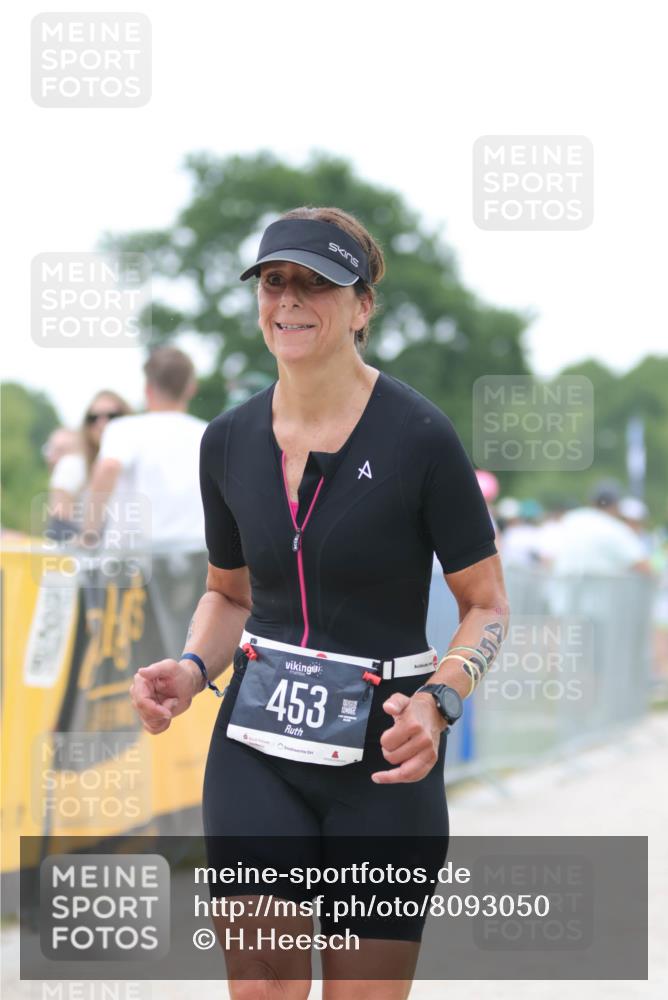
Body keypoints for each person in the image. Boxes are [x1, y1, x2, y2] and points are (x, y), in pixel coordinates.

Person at [130, 208, 510, 998]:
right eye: (275, 282)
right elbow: (228, 593)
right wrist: (193, 667)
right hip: (257, 742)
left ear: (362, 305)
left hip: (384, 750)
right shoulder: (226, 440)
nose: (291, 300)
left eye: (317, 283)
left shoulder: (420, 436)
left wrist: (439, 702)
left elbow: (487, 605)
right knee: (260, 985)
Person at [85, 347, 207, 549]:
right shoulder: (207, 432)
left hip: (137, 552)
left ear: (147, 389)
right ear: (191, 388)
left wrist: (89, 533)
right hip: (197, 549)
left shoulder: (124, 429)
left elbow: (108, 467)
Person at [46, 391, 132, 541]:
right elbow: (59, 526)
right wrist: (89, 539)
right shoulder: (72, 466)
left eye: (112, 416)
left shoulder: (139, 465)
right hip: (89, 552)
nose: (102, 424)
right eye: (93, 418)